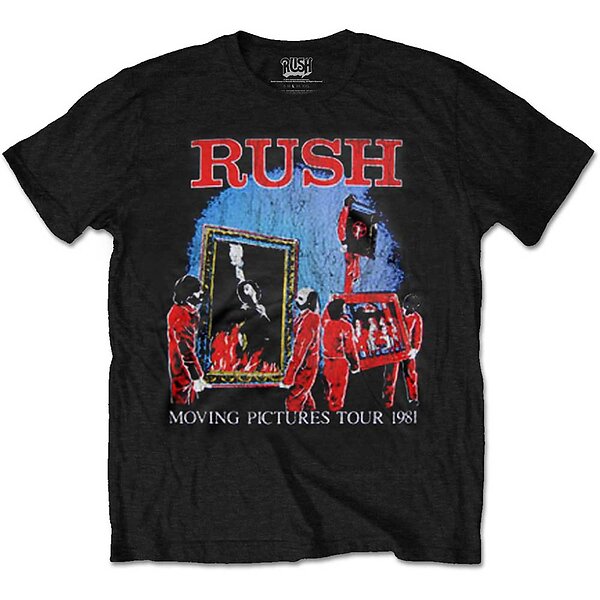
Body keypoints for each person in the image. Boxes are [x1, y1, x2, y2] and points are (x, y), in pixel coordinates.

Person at [167, 275, 208, 404]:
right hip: (183, 370)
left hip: (183, 368)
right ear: (189, 295)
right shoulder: (182, 314)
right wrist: (195, 377)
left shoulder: (186, 311)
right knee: (183, 402)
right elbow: (185, 348)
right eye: (198, 290)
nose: (201, 293)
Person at [281, 288, 321, 412]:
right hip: (305, 367)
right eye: (297, 297)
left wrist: (288, 379)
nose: (297, 301)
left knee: (293, 400)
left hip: (305, 369)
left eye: (301, 299)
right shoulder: (303, 317)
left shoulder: (309, 320)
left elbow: (300, 351)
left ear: (308, 302)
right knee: (305, 397)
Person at [382, 294, 423, 408]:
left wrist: (414, 350)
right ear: (406, 304)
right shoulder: (395, 313)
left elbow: (417, 335)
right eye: (411, 306)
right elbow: (387, 328)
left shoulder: (416, 318)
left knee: (411, 374)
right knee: (390, 376)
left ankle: (413, 398)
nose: (413, 310)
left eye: (415, 307)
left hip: (408, 351)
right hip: (394, 349)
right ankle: (387, 401)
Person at [322, 298, 360, 411]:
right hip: (340, 363)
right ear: (341, 312)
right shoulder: (345, 326)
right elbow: (349, 348)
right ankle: (335, 411)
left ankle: (328, 408)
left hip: (327, 361)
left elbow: (325, 315)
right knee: (338, 390)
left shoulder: (326, 324)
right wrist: (355, 365)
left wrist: (332, 301)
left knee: (328, 389)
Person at [337, 195, 361, 294]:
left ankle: (351, 285)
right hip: (349, 244)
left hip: (352, 244)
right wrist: (344, 242)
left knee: (353, 264)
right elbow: (341, 226)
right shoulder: (346, 213)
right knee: (350, 267)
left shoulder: (350, 213)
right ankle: (348, 291)